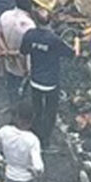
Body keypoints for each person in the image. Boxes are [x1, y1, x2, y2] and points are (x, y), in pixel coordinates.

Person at [20, 9, 75, 147]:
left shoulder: (30, 35)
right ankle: (45, 140)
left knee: (37, 109)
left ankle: (35, 132)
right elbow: (72, 54)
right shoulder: (54, 39)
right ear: (51, 20)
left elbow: (23, 51)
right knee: (50, 112)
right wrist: (77, 41)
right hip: (50, 83)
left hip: (35, 80)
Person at [0, 0, 36, 103]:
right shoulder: (29, 25)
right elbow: (29, 50)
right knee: (24, 89)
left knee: (11, 84)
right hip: (24, 64)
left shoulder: (5, 15)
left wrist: (5, 50)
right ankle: (21, 107)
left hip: (8, 60)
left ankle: (12, 105)